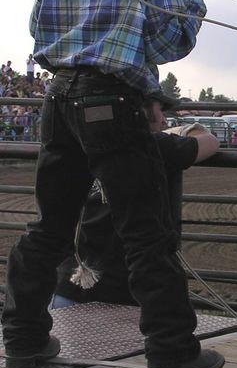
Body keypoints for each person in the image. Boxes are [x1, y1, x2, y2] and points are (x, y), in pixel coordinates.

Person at [1, 0, 229, 368]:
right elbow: (175, 43)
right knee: (145, 230)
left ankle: (24, 340)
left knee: (49, 226)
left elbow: (38, 29)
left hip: (60, 98)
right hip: (112, 103)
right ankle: (172, 350)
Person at [51, 113, 219, 308]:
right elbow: (210, 142)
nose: (164, 120)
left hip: (69, 282)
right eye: (159, 111)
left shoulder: (80, 144)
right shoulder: (154, 146)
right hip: (121, 291)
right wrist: (177, 132)